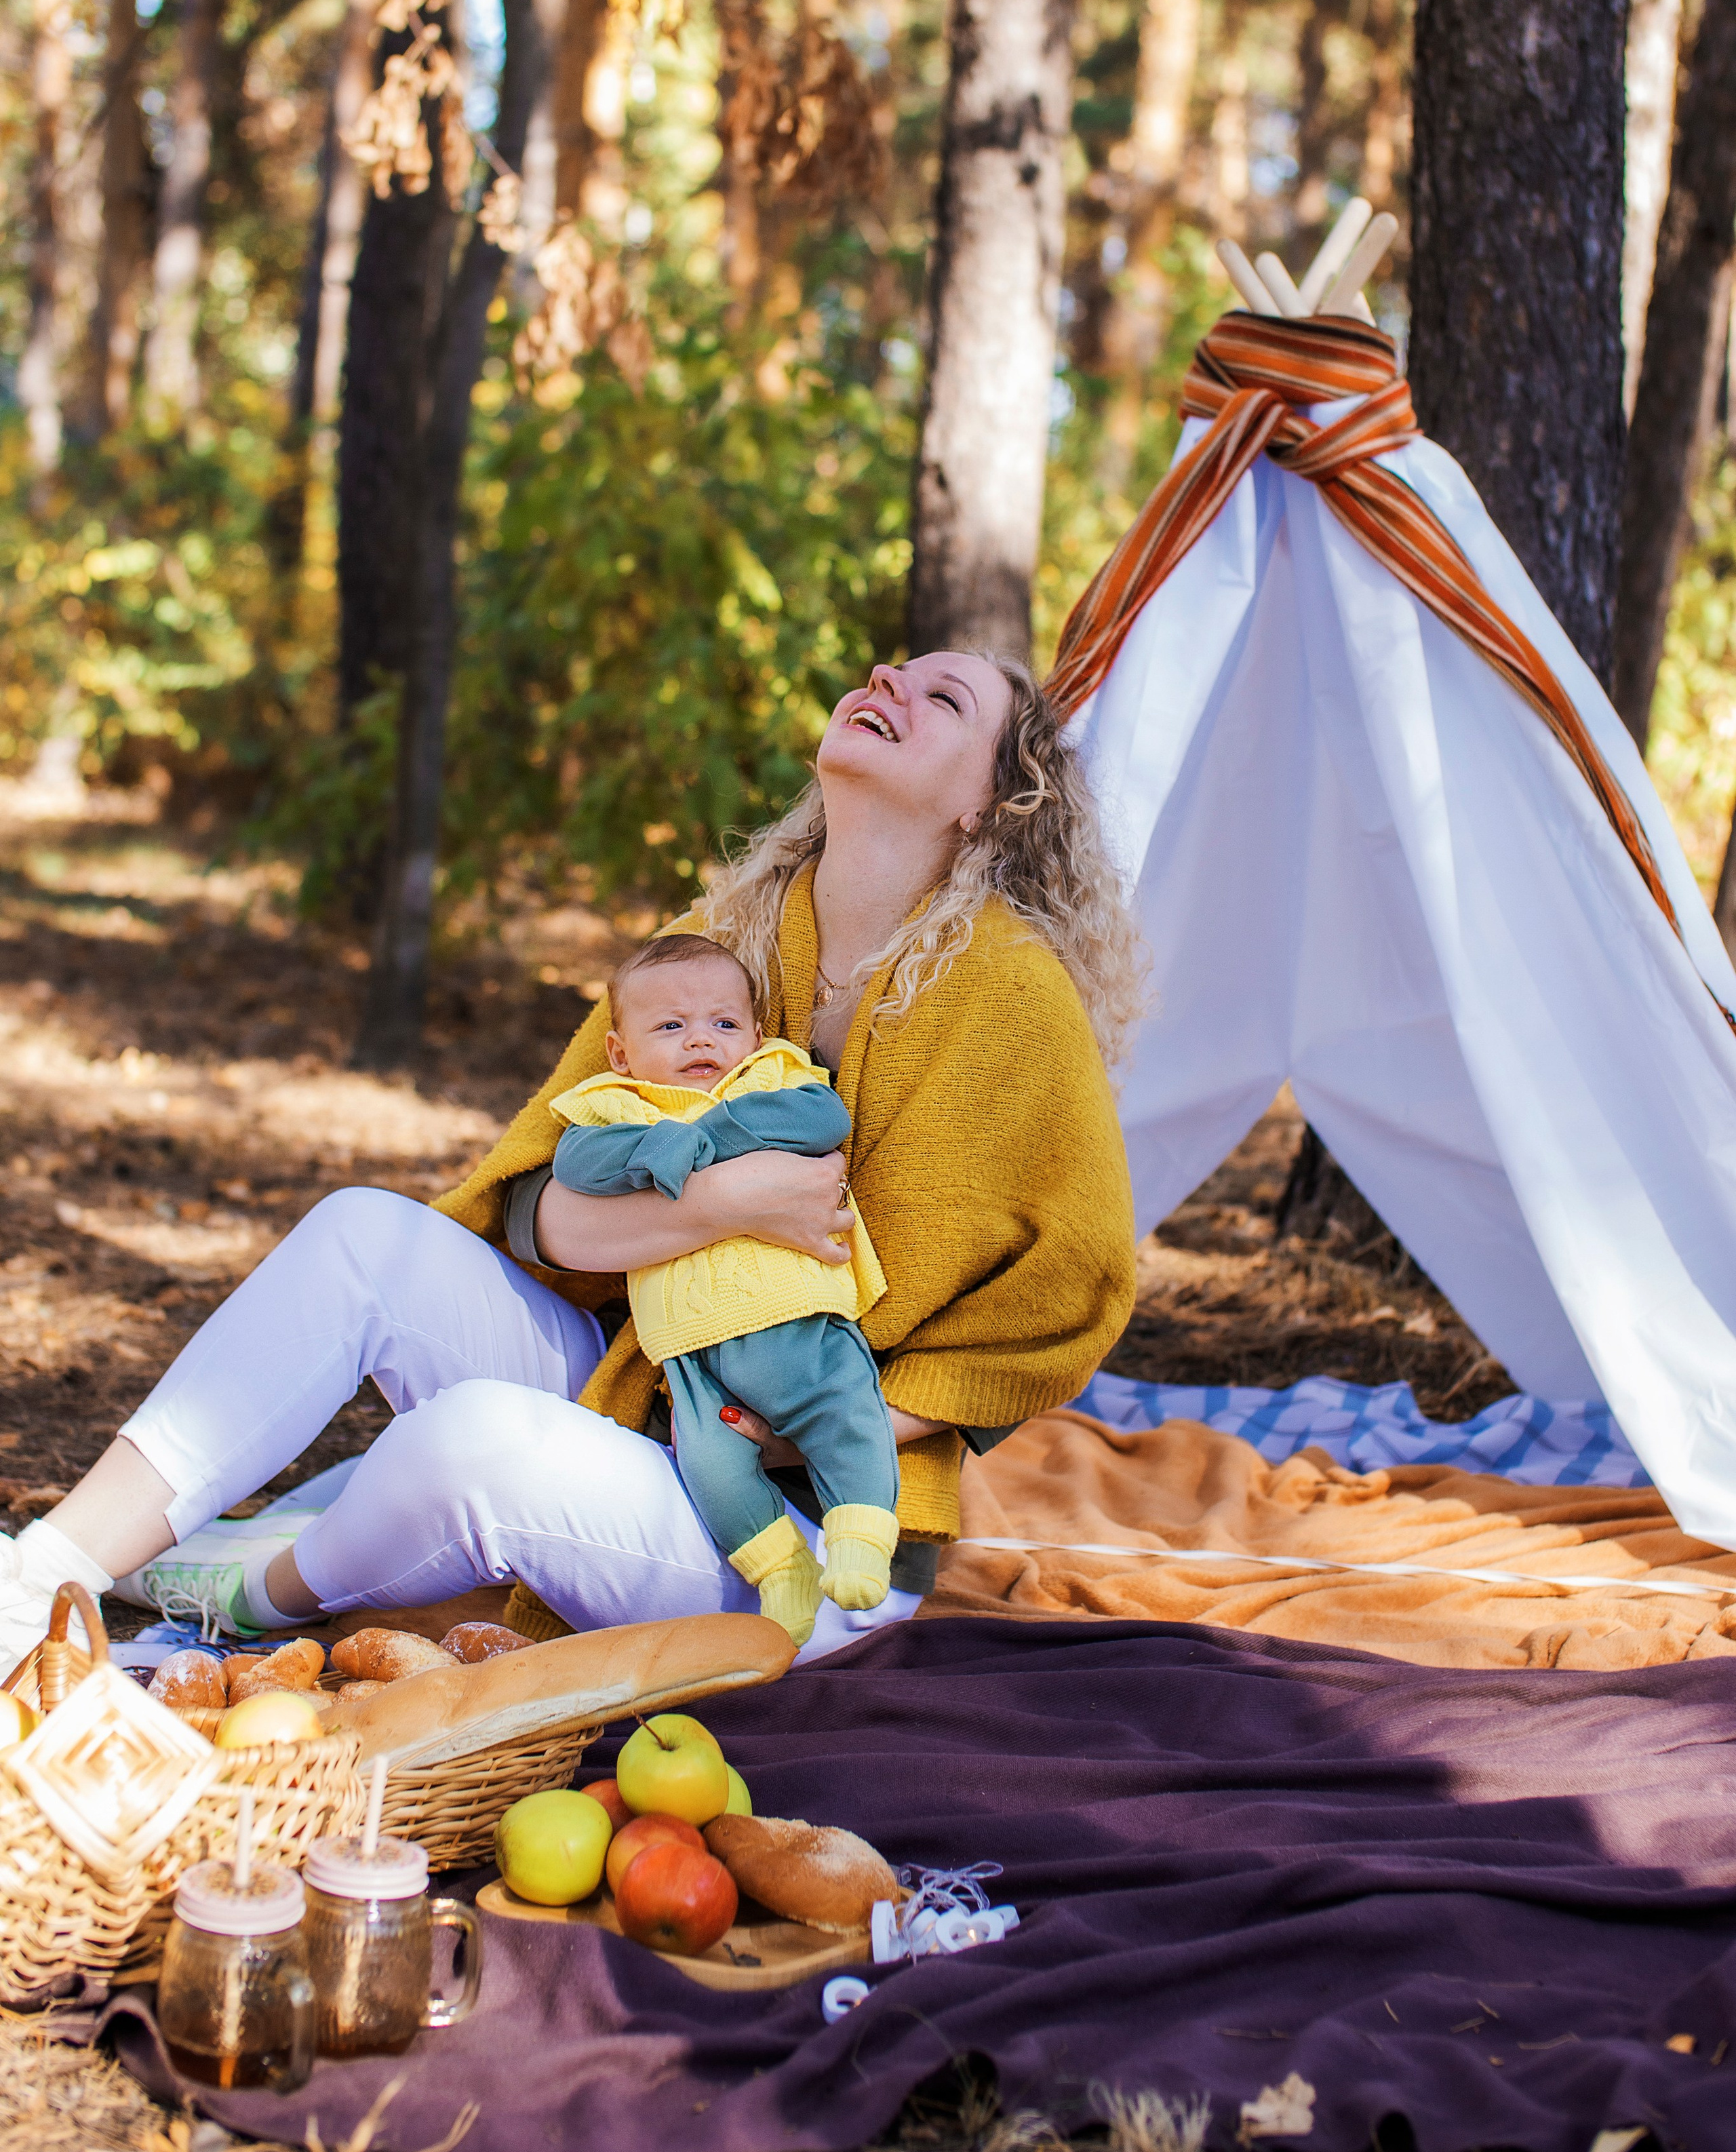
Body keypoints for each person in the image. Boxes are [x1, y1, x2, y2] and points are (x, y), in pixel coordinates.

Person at [0, 651, 1143, 1677]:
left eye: (943, 697)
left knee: (471, 1441)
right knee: (363, 1234)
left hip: (805, 1522)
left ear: (994, 804)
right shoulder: (742, 928)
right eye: (893, 667)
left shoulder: (1009, 998)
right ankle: (41, 1576)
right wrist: (724, 1200)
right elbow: (543, 1208)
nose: (891, 679)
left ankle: (237, 1597)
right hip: (640, 1388)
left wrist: (813, 1421)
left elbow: (1064, 1309)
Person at [548, 930, 899, 1648]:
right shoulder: (615, 1106)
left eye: (723, 1023)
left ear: (756, 1033)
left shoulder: (770, 1077)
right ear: (620, 1052)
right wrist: (653, 1143)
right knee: (712, 1470)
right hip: (692, 1356)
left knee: (848, 1418)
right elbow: (581, 1165)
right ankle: (780, 1571)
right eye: (670, 1026)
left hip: (802, 1324)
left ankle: (861, 1539)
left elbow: (821, 1120)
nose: (700, 1041)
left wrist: (700, 1137)